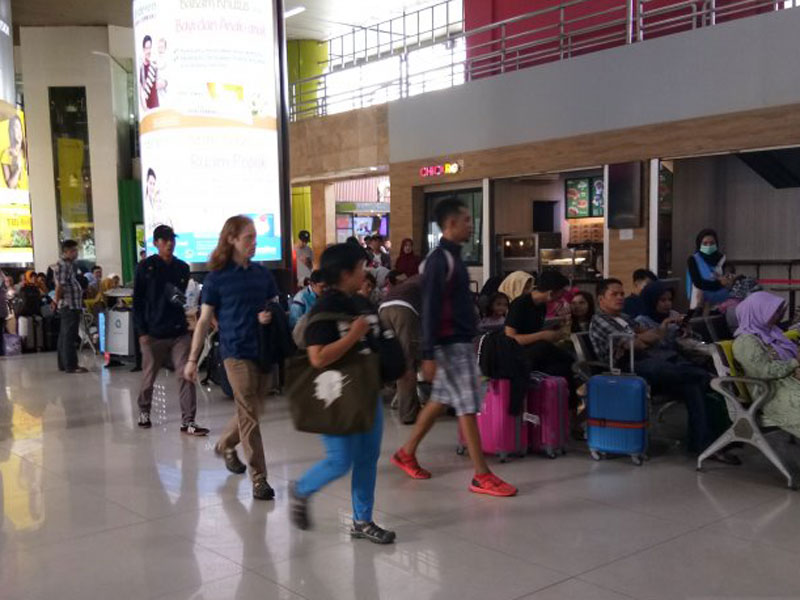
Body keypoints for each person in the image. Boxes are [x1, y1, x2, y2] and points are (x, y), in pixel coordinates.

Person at [391, 198, 517, 497]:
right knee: (467, 406)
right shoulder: (439, 260)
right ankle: (481, 475)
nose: (470, 224)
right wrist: (428, 353)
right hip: (449, 344)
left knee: (440, 401)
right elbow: (431, 307)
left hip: (457, 341)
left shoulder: (453, 257)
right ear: (449, 225)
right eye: (465, 219)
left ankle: (406, 453)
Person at [289, 243, 396, 543]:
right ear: (346, 273)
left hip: (366, 391)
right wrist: (353, 335)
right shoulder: (325, 308)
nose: (367, 272)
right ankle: (302, 489)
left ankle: (362, 521)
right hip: (335, 395)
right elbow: (318, 357)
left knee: (367, 458)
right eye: (362, 268)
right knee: (340, 460)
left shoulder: (357, 302)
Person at [184, 216, 279, 501]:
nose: (254, 243)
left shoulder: (263, 274)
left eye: (254, 237)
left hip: (261, 350)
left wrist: (269, 315)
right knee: (249, 413)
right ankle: (259, 479)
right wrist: (192, 359)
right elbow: (203, 322)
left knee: (253, 410)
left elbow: (275, 308)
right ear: (231, 239)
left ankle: (225, 444)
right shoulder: (217, 278)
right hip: (235, 352)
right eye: (248, 237)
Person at [590, 279, 736, 460]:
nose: (620, 297)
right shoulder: (600, 321)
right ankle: (708, 378)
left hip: (648, 363)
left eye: (621, 293)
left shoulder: (624, 318)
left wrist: (650, 334)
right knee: (696, 375)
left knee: (692, 384)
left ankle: (702, 444)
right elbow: (636, 345)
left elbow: (653, 336)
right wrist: (642, 338)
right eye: (614, 294)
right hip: (628, 371)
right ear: (601, 299)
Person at [133, 225, 208, 436]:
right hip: (152, 333)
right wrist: (142, 332)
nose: (169, 244)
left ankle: (189, 421)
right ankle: (144, 411)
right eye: (164, 240)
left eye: (171, 240)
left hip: (178, 332)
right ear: (156, 243)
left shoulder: (182, 268)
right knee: (149, 376)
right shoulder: (145, 268)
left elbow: (183, 298)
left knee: (186, 373)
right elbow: (137, 301)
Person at [504, 270, 581, 419]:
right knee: (545, 347)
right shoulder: (519, 304)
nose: (562, 297)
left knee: (565, 367)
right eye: (560, 293)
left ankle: (569, 414)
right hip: (516, 353)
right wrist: (543, 336)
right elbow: (511, 338)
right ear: (551, 293)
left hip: (534, 352)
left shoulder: (541, 306)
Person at [733, 292, 800, 438]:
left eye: (778, 311)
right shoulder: (746, 342)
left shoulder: (773, 332)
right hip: (772, 393)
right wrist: (795, 363)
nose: (778, 316)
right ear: (757, 311)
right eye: (773, 312)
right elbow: (764, 372)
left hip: (788, 383)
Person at [379, 275, 423, 424]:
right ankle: (408, 414)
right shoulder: (436, 281)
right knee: (408, 362)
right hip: (404, 310)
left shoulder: (414, 280)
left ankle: (407, 403)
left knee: (395, 358)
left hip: (384, 308)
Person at [54, 240, 87, 373]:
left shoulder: (68, 265)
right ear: (65, 251)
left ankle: (63, 364)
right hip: (69, 304)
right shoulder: (63, 265)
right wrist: (56, 301)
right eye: (73, 250)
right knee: (69, 335)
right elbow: (60, 286)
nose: (76, 253)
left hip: (71, 303)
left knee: (64, 335)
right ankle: (71, 365)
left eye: (76, 250)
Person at [687, 228, 732, 312]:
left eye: (712, 243)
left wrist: (727, 279)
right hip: (699, 301)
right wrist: (719, 283)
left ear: (716, 244)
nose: (708, 246)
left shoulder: (722, 259)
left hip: (720, 303)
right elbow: (698, 283)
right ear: (699, 244)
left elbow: (728, 279)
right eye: (705, 243)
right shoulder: (693, 259)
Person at [1, 114, 28, 190]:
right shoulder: (6, 154)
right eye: (14, 129)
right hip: (18, 198)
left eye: (18, 128)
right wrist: (18, 169)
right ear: (10, 131)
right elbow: (10, 185)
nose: (17, 132)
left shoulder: (26, 150)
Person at [139, 35, 160, 110]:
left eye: (150, 47)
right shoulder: (142, 69)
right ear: (143, 49)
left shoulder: (155, 65)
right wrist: (145, 109)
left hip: (157, 107)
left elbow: (158, 85)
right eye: (147, 48)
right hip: (148, 109)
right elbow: (141, 92)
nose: (149, 51)